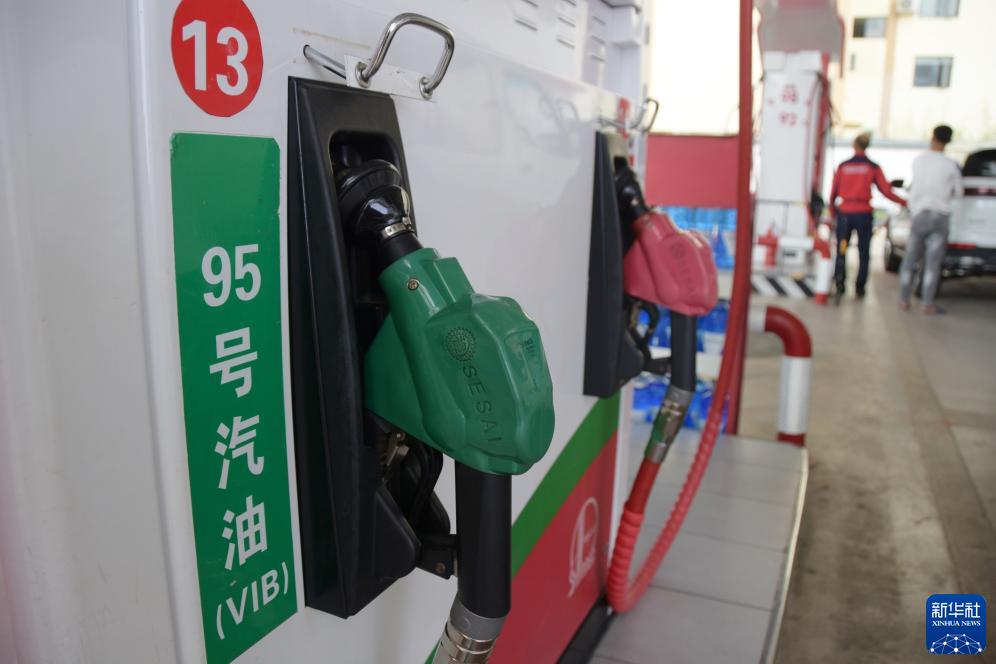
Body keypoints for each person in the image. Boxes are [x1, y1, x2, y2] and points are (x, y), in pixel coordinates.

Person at [828, 132, 907, 300]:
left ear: (854, 145)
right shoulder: (872, 167)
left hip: (845, 214)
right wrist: (904, 202)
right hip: (863, 215)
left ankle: (840, 283)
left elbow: (833, 192)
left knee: (842, 249)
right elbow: (886, 190)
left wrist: (833, 211)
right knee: (864, 252)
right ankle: (860, 288)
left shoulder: (843, 166)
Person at [899, 125, 963, 315]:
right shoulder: (951, 165)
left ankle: (903, 300)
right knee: (932, 263)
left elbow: (914, 187)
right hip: (940, 216)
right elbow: (959, 192)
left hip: (920, 215)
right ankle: (927, 304)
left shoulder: (918, 161)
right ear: (948, 141)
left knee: (910, 259)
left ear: (932, 138)